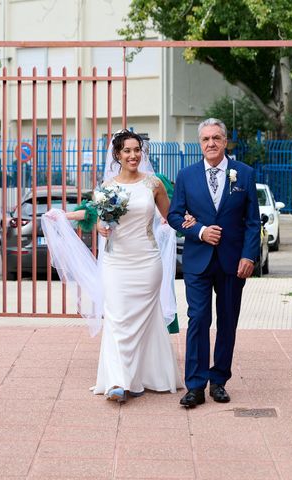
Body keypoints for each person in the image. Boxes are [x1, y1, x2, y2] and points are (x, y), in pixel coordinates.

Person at [43, 130, 194, 403]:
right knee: (116, 318)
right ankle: (118, 382)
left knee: (145, 320)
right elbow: (97, 218)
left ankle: (146, 377)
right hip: (116, 262)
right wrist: (97, 224)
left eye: (137, 150)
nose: (133, 155)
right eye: (127, 151)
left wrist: (194, 224)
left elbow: (171, 216)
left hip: (147, 260)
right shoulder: (106, 188)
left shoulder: (154, 184)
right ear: (117, 155)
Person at [168, 118, 260, 408]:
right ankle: (195, 385)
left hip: (234, 262)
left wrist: (249, 255)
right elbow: (174, 215)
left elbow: (252, 221)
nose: (211, 143)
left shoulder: (243, 174)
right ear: (200, 143)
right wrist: (199, 231)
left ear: (225, 141)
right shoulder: (186, 175)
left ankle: (219, 380)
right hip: (198, 260)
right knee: (198, 320)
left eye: (216, 138)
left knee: (227, 321)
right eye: (206, 139)